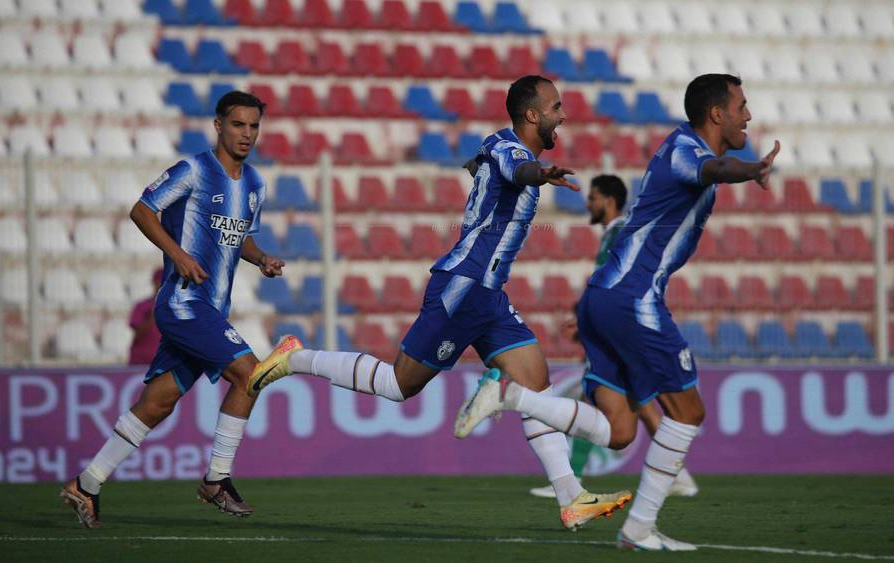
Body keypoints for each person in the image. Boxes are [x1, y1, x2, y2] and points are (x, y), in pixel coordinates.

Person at [248, 75, 632, 531]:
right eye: (555, 107)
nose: (562, 115)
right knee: (399, 384)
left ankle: (571, 498)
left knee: (535, 383)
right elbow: (514, 169)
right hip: (464, 288)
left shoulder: (502, 148)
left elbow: (490, 166)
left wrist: (490, 169)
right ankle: (296, 357)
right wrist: (538, 175)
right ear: (532, 115)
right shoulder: (513, 152)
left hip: (488, 295)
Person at [454, 74, 781, 551]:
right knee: (687, 411)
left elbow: (711, 169)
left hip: (605, 298)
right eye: (741, 107)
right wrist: (750, 171)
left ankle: (510, 396)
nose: (747, 115)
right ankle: (638, 528)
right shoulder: (686, 150)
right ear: (716, 114)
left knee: (620, 431)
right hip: (632, 298)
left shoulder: (683, 148)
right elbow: (713, 170)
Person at [60, 91, 285, 528]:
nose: (247, 134)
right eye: (238, 125)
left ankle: (85, 484)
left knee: (158, 403)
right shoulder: (194, 170)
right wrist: (178, 255)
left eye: (254, 126)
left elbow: (242, 239)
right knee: (251, 375)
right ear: (218, 126)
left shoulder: (255, 184)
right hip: (183, 302)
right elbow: (142, 211)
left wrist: (262, 259)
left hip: (211, 309)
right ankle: (216, 479)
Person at [527, 175, 698, 499]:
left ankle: (570, 479)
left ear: (607, 200)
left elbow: (615, 283)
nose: (587, 203)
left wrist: (590, 321)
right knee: (641, 406)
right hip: (618, 330)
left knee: (593, 398)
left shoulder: (619, 234)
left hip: (618, 333)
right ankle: (679, 474)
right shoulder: (614, 234)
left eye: (592, 197)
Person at [127, 268, 164, 365]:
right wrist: (152, 317)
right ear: (154, 283)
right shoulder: (142, 306)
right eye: (160, 282)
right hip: (141, 361)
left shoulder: (177, 308)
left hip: (164, 363)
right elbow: (137, 335)